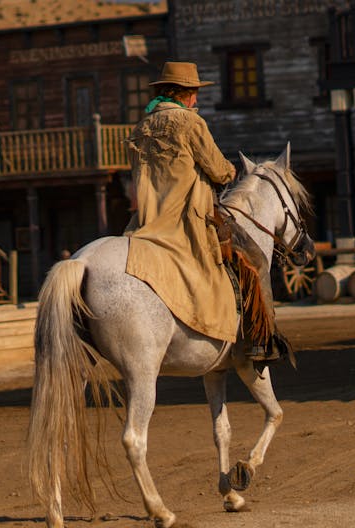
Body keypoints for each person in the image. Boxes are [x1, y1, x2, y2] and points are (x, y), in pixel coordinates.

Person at [125, 61, 286, 363]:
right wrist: (230, 170)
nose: (196, 99)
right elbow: (217, 169)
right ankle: (260, 341)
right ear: (185, 94)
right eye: (195, 93)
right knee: (257, 260)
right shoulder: (190, 123)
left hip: (147, 219)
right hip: (187, 217)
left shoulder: (141, 127)